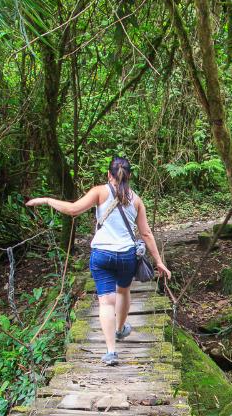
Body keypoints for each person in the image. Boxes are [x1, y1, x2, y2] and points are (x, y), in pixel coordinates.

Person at [26, 156, 171, 366]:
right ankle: (120, 329)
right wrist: (159, 261)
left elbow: (73, 210)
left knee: (106, 302)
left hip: (102, 254)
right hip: (126, 255)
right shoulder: (137, 200)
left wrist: (47, 200)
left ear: (108, 174)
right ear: (129, 176)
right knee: (123, 291)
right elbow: (146, 233)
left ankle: (111, 351)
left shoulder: (99, 192)